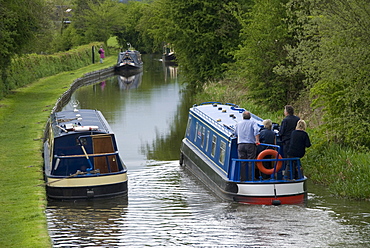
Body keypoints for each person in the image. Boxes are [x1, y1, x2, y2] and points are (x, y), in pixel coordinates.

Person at [234, 111, 260, 181]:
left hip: (240, 145)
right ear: (250, 117)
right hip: (250, 145)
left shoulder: (238, 123)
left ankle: (242, 178)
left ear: (243, 117)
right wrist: (257, 140)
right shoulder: (253, 123)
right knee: (251, 161)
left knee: (242, 162)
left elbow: (235, 134)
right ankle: (251, 178)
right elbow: (256, 131)